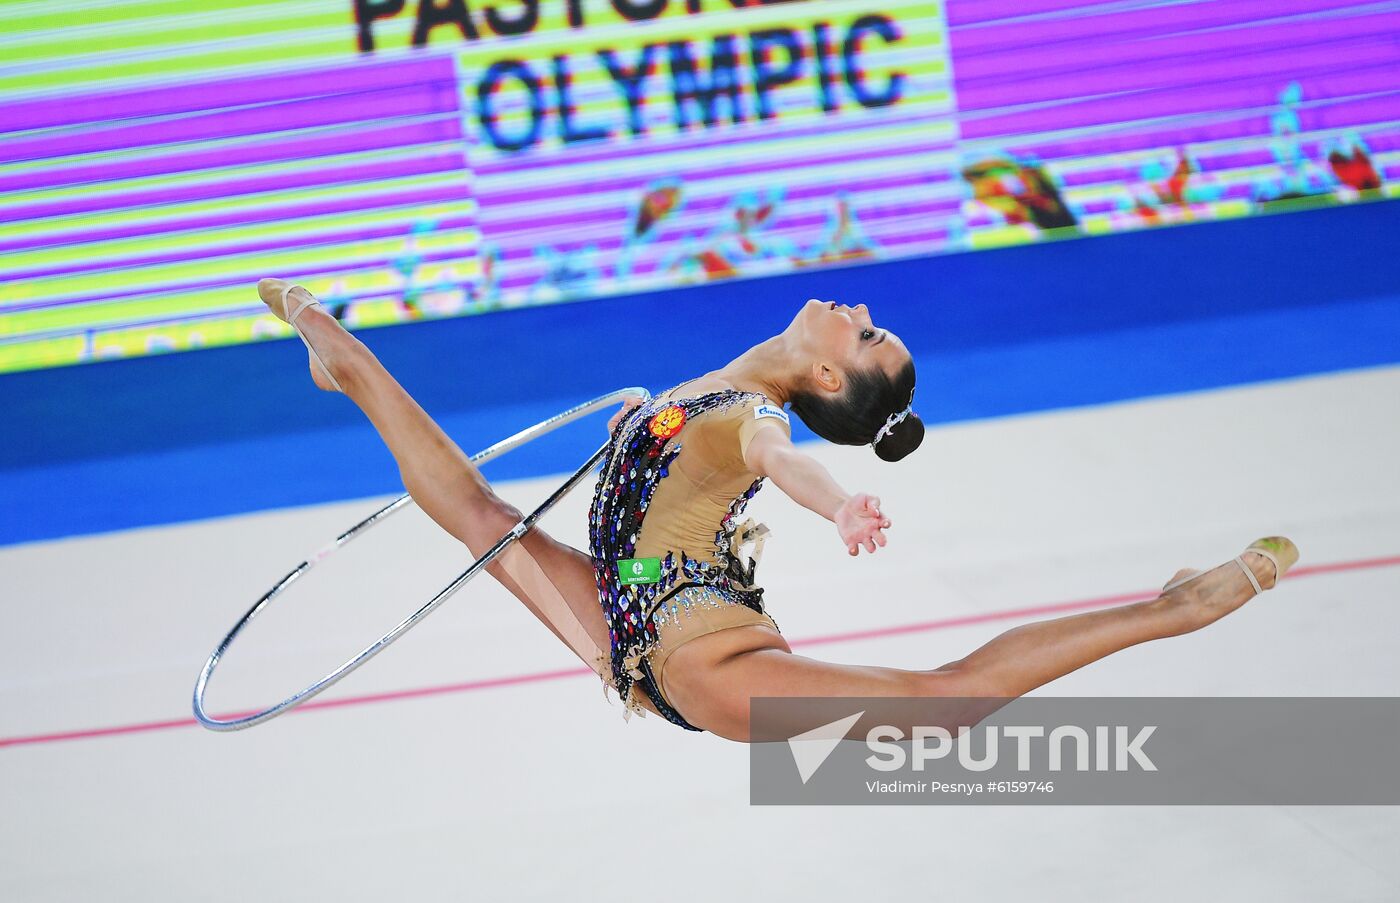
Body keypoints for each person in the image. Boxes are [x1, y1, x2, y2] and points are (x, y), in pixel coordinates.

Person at [257, 279, 1298, 741]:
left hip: (702, 658)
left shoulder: (752, 411)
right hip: (630, 635)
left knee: (946, 704)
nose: (854, 313)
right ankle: (347, 363)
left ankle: (1176, 610)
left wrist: (836, 504)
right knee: (481, 518)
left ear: (828, 381)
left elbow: (774, 457)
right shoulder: (709, 384)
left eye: (865, 336)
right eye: (872, 324)